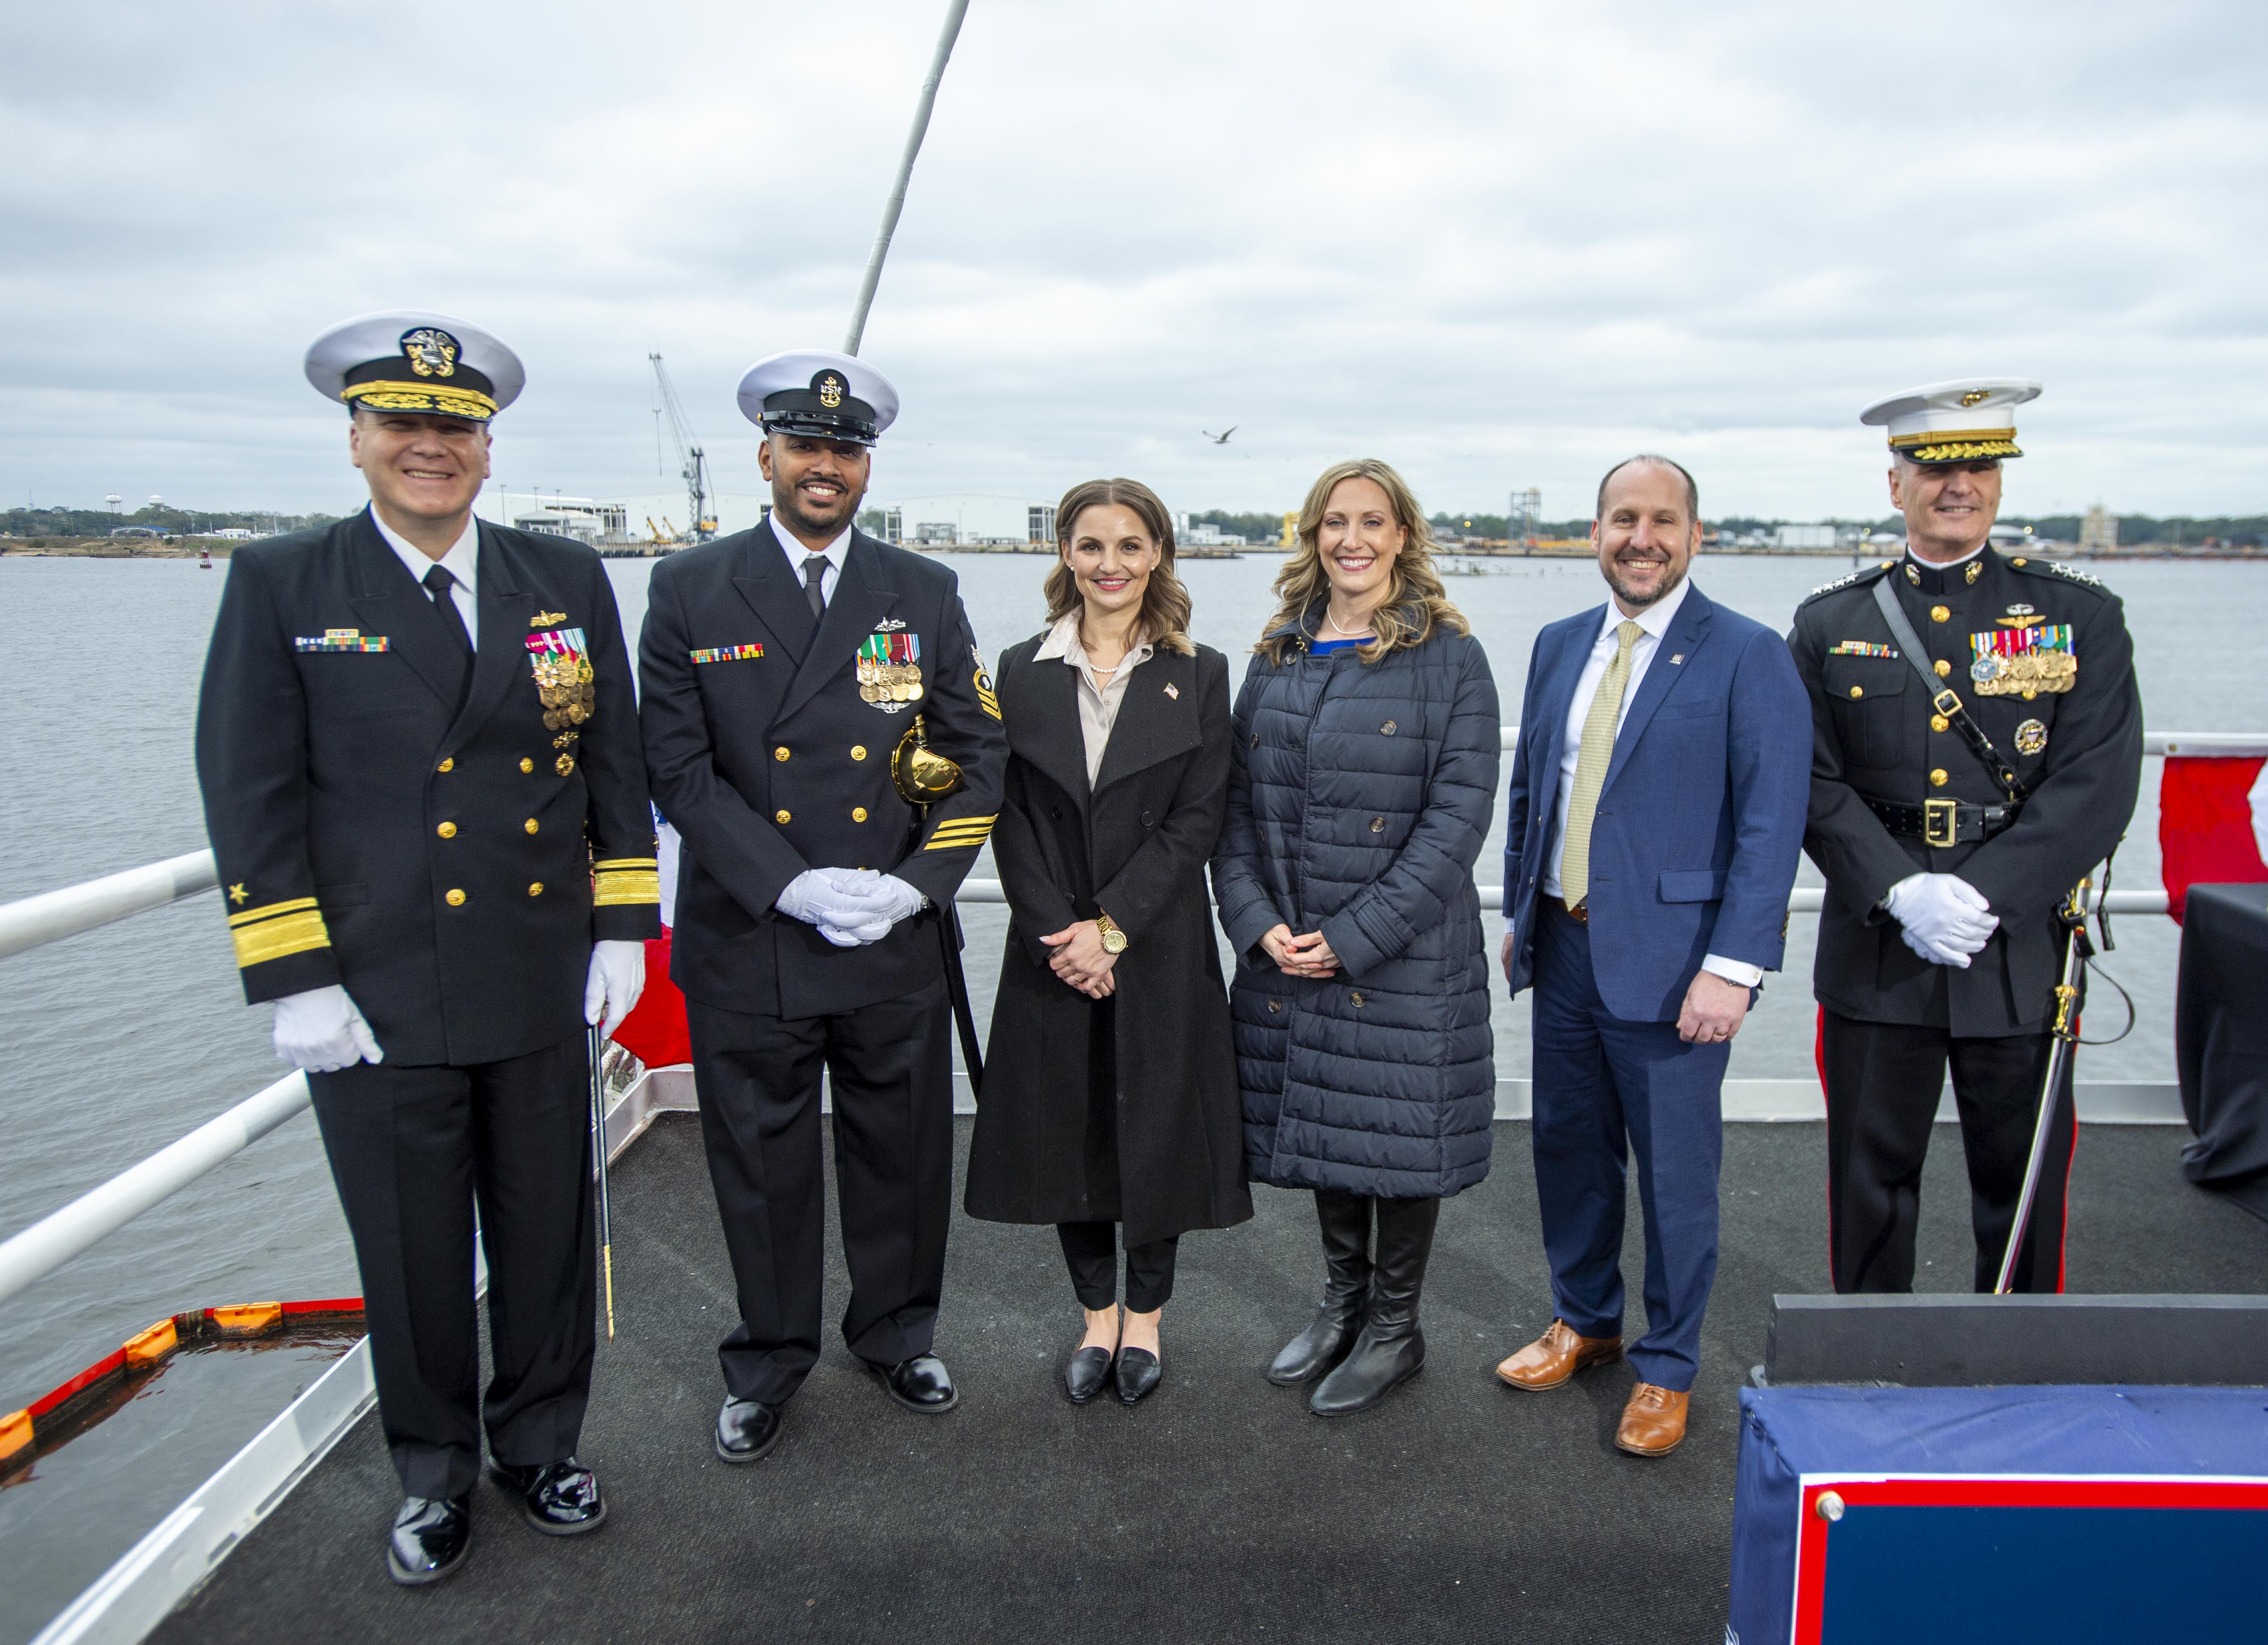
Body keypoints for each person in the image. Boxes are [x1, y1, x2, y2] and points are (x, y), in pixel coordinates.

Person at [195, 312, 659, 1584]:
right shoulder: (286, 584)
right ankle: (432, 1474)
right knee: (406, 1252)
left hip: (534, 975)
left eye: (453, 428)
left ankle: (542, 1445)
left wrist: (624, 926)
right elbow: (248, 792)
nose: (428, 447)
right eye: (401, 423)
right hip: (376, 995)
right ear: (356, 439)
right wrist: (295, 976)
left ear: (488, 448)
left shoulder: (561, 581)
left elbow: (609, 764)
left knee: (549, 1236)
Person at [638, 350, 1006, 1463]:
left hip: (888, 931)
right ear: (766, 456)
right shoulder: (689, 586)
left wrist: (912, 884)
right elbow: (676, 763)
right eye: (805, 445)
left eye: (844, 449)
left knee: (900, 1150)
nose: (824, 465)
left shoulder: (922, 590)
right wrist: (787, 877)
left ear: (865, 466)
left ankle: (897, 1332)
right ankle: (767, 1357)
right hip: (754, 929)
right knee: (760, 1161)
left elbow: (979, 750)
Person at [1791, 381, 2141, 1294]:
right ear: (1896, 482)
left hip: (2018, 948)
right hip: (1881, 943)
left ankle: (2022, 1367)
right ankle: (1868, 1371)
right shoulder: (1831, 623)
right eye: (1936, 469)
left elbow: (2097, 784)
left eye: (1981, 466)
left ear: (1999, 482)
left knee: (2020, 1192)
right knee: (1871, 1187)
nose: (1960, 486)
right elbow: (1810, 781)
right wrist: (1902, 889)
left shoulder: (2081, 616)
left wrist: (1987, 896)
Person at [1493, 455, 1810, 1457]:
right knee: (1568, 1149)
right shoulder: (1558, 644)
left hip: (1679, 965)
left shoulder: (1747, 654)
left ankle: (1667, 1364)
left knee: (1676, 1175)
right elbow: (1533, 788)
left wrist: (1738, 963)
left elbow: (1772, 821)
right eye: (1624, 518)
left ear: (1694, 534)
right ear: (1595, 530)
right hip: (1566, 942)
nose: (1642, 537)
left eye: (1662, 520)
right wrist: (1520, 907)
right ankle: (1585, 1321)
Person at [1212, 458, 1500, 1417]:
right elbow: (1235, 812)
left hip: (1402, 956)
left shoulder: (1452, 658)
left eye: (1372, 522)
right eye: (1335, 522)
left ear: (1403, 537)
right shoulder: (1278, 652)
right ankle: (1342, 1305)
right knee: (1329, 1132)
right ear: (1312, 536)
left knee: (1395, 1139)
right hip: (1295, 949)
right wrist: (1258, 928)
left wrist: (1356, 935)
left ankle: (1395, 1327)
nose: (1352, 540)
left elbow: (1457, 822)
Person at [964, 479, 1251, 1407]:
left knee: (1157, 1131)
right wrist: (1065, 933)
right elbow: (1005, 814)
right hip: (1053, 951)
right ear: (1065, 555)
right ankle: (1095, 1318)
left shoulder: (1200, 672)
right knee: (1070, 1133)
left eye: (1131, 545)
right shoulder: (1019, 667)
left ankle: (1148, 1321)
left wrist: (1114, 928)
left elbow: (1199, 819)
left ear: (1159, 553)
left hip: (1157, 946)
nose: (1111, 564)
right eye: (1092, 545)